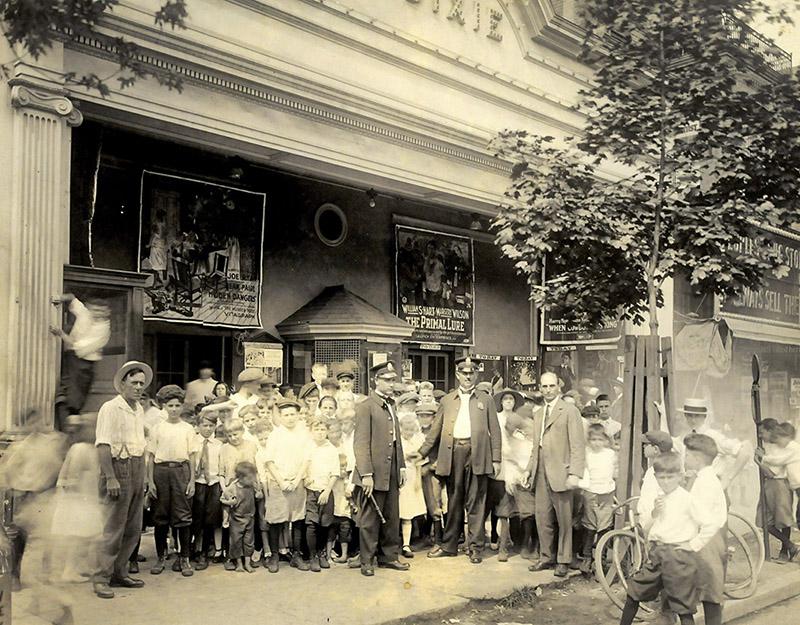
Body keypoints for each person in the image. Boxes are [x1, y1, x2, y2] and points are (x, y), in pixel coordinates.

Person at [419, 356, 502, 564]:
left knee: (476, 502)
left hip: (478, 454)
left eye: (472, 373)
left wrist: (497, 459)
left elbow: (496, 430)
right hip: (453, 452)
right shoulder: (447, 400)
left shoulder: (486, 399)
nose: (468, 376)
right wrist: (420, 453)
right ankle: (449, 546)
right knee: (454, 501)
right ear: (457, 375)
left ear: (476, 374)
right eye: (464, 373)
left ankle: (475, 548)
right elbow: (435, 430)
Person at [92, 361, 152, 599]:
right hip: (118, 467)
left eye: (141, 383)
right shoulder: (110, 408)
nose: (139, 387)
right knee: (113, 527)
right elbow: (103, 444)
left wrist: (145, 476)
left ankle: (120, 572)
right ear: (123, 383)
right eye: (134, 382)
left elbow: (141, 445)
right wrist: (110, 477)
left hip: (137, 467)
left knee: (133, 527)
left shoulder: (138, 408)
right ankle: (101, 577)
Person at [621, 452, 700, 625]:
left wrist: (693, 544)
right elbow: (648, 526)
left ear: (680, 476)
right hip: (658, 553)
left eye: (670, 477)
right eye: (661, 477)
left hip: (678, 556)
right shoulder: (660, 498)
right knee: (634, 592)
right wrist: (655, 512)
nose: (665, 482)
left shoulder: (688, 499)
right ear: (655, 477)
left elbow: (708, 523)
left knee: (683, 606)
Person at [522, 371, 586, 577]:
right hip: (540, 471)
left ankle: (564, 560)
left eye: (551, 386)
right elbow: (536, 446)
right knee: (542, 517)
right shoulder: (538, 413)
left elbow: (577, 445)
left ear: (558, 386)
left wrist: (575, 473)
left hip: (561, 472)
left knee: (564, 520)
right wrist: (528, 469)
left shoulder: (569, 411)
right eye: (544, 387)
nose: (548, 390)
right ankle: (546, 557)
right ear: (540, 388)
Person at [351, 361, 409, 577]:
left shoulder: (391, 404)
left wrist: (401, 466)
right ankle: (367, 560)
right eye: (387, 380)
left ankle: (389, 557)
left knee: (392, 514)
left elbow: (397, 440)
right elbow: (360, 443)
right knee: (370, 518)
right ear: (376, 380)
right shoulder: (366, 406)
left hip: (392, 469)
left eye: (393, 380)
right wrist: (366, 473)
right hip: (373, 472)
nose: (391, 384)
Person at [676, 397, 757, 523]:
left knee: (714, 532)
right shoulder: (685, 436)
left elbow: (744, 452)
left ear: (704, 417)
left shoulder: (713, 435)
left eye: (697, 416)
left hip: (712, 487)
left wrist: (727, 479)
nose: (692, 420)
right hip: (693, 487)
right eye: (689, 416)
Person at [146, 385, 198, 577]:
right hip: (161, 472)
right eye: (170, 405)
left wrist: (192, 480)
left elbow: (192, 456)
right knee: (160, 517)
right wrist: (150, 481)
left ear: (182, 406)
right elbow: (151, 456)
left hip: (181, 472)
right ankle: (161, 557)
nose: (174, 409)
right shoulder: (157, 428)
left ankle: (184, 558)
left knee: (183, 516)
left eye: (177, 405)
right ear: (164, 406)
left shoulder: (188, 429)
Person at [50, 414, 104, 583]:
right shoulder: (80, 448)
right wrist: (80, 499)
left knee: (87, 536)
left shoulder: (91, 448)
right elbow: (72, 476)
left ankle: (79, 566)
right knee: (77, 537)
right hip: (78, 499)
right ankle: (69, 569)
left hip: (87, 497)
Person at [262, 398, 311, 573]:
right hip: (278, 482)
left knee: (297, 519)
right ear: (280, 417)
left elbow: (307, 459)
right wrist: (282, 481)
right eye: (286, 415)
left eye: (293, 414)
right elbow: (268, 461)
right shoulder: (276, 434)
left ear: (298, 415)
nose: (290, 418)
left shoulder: (304, 433)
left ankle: (296, 555)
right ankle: (274, 555)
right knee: (276, 519)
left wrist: (297, 480)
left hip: (297, 481)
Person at [683, 433, 728, 625]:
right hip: (707, 539)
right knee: (704, 591)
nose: (684, 458)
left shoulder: (707, 482)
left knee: (710, 594)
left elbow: (708, 522)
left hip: (707, 541)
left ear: (697, 458)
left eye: (687, 455)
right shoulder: (703, 477)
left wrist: (694, 544)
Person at [51, 293, 111, 429]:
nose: (97, 313)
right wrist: (62, 297)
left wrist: (61, 334)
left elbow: (76, 346)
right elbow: (73, 300)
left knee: (74, 396)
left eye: (101, 311)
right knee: (64, 390)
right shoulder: (86, 314)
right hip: (70, 356)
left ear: (107, 312)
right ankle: (65, 418)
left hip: (84, 363)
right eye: (95, 310)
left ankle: (69, 424)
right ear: (90, 308)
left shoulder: (103, 330)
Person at [756, 421, 800, 560]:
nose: (760, 435)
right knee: (766, 521)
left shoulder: (786, 447)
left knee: (784, 519)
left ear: (771, 431)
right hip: (772, 485)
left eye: (763, 432)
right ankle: (789, 547)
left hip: (779, 484)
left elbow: (772, 472)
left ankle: (786, 549)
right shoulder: (771, 447)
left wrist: (759, 460)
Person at [490, 388, 525, 562]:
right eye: (506, 399)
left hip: (516, 464)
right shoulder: (496, 418)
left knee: (516, 506)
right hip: (501, 464)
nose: (509, 402)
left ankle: (517, 542)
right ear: (501, 402)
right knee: (502, 507)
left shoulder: (519, 420)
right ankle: (501, 545)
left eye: (511, 399)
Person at [577, 424, 617, 574]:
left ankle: (601, 559)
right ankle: (587, 557)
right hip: (590, 491)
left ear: (605, 440)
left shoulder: (610, 454)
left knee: (604, 525)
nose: (596, 443)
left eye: (600, 439)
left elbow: (615, 472)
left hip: (606, 492)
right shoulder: (586, 453)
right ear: (589, 440)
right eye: (593, 439)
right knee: (589, 525)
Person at [304, 420, 340, 572]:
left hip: (326, 491)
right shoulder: (307, 447)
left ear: (327, 431)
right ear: (311, 431)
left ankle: (321, 554)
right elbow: (303, 466)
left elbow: (335, 472)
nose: (319, 432)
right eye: (316, 429)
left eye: (322, 429)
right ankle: (312, 557)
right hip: (311, 491)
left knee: (325, 524)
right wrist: (305, 478)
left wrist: (327, 491)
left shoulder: (331, 449)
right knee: (312, 524)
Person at [192, 412, 223, 570]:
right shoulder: (193, 442)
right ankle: (194, 549)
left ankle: (205, 551)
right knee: (196, 518)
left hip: (213, 483)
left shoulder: (218, 445)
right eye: (205, 425)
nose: (208, 428)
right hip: (198, 483)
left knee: (210, 519)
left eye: (211, 425)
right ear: (197, 426)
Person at [220, 461, 263, 573]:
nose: (252, 480)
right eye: (249, 478)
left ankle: (248, 564)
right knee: (236, 541)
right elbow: (222, 499)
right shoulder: (232, 487)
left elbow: (259, 495)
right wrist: (230, 502)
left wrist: (259, 495)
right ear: (240, 478)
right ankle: (239, 563)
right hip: (236, 520)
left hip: (250, 518)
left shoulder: (252, 486)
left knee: (249, 542)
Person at [398, 413, 426, 558]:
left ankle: (406, 544)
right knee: (396, 511)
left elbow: (419, 463)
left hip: (411, 477)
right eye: (406, 429)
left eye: (411, 430)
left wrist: (418, 481)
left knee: (408, 513)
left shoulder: (416, 442)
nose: (408, 433)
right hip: (399, 478)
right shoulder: (398, 442)